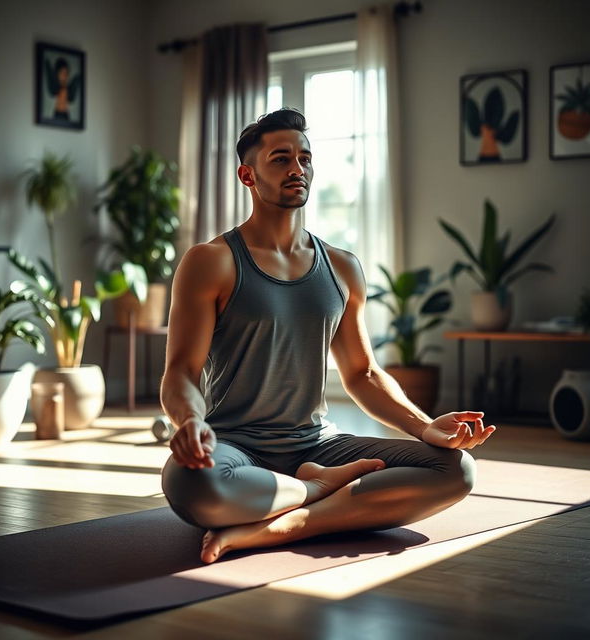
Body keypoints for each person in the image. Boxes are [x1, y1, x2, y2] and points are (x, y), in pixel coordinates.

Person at [160, 108, 495, 565]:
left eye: (305, 158)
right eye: (280, 159)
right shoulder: (211, 261)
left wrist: (424, 426)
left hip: (318, 444)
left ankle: (287, 524)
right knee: (191, 484)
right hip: (235, 447)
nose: (297, 169)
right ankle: (315, 488)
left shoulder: (341, 266)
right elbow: (181, 371)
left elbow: (362, 373)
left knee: (455, 469)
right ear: (247, 174)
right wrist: (189, 423)